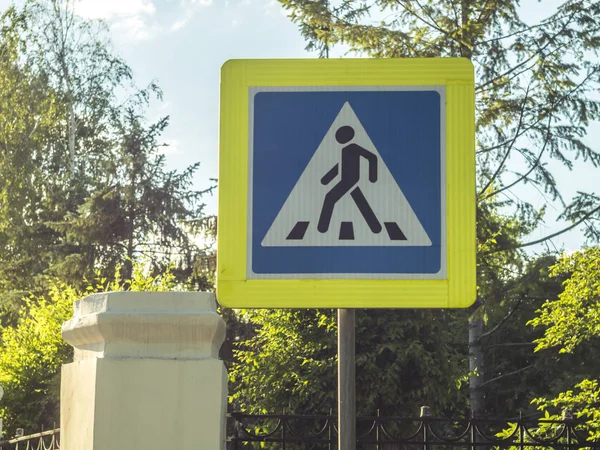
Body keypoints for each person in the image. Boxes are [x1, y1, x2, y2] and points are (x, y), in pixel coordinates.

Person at [317, 125, 382, 234]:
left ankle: (322, 228)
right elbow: (340, 166)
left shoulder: (354, 147)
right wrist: (326, 179)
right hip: (348, 179)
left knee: (330, 198)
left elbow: (372, 157)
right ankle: (376, 228)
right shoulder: (345, 150)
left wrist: (372, 177)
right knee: (360, 200)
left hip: (351, 179)